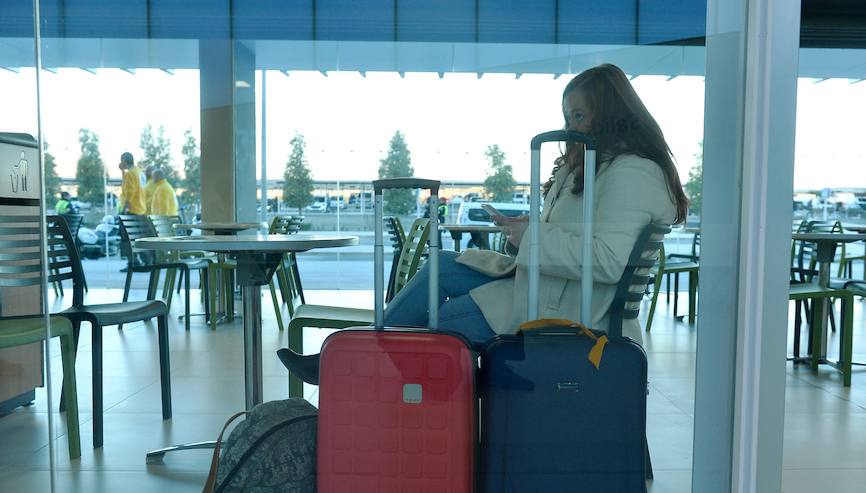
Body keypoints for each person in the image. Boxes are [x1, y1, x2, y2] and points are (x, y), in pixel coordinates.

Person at [279, 63, 688, 384]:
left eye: (579, 116)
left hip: (572, 309)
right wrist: (523, 234)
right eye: (568, 117)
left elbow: (608, 261)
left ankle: (350, 364)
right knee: (442, 265)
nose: (569, 128)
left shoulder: (632, 173)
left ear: (612, 116)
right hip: (547, 287)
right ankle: (356, 356)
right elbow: (576, 238)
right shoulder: (597, 167)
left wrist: (532, 235)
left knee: (430, 327)